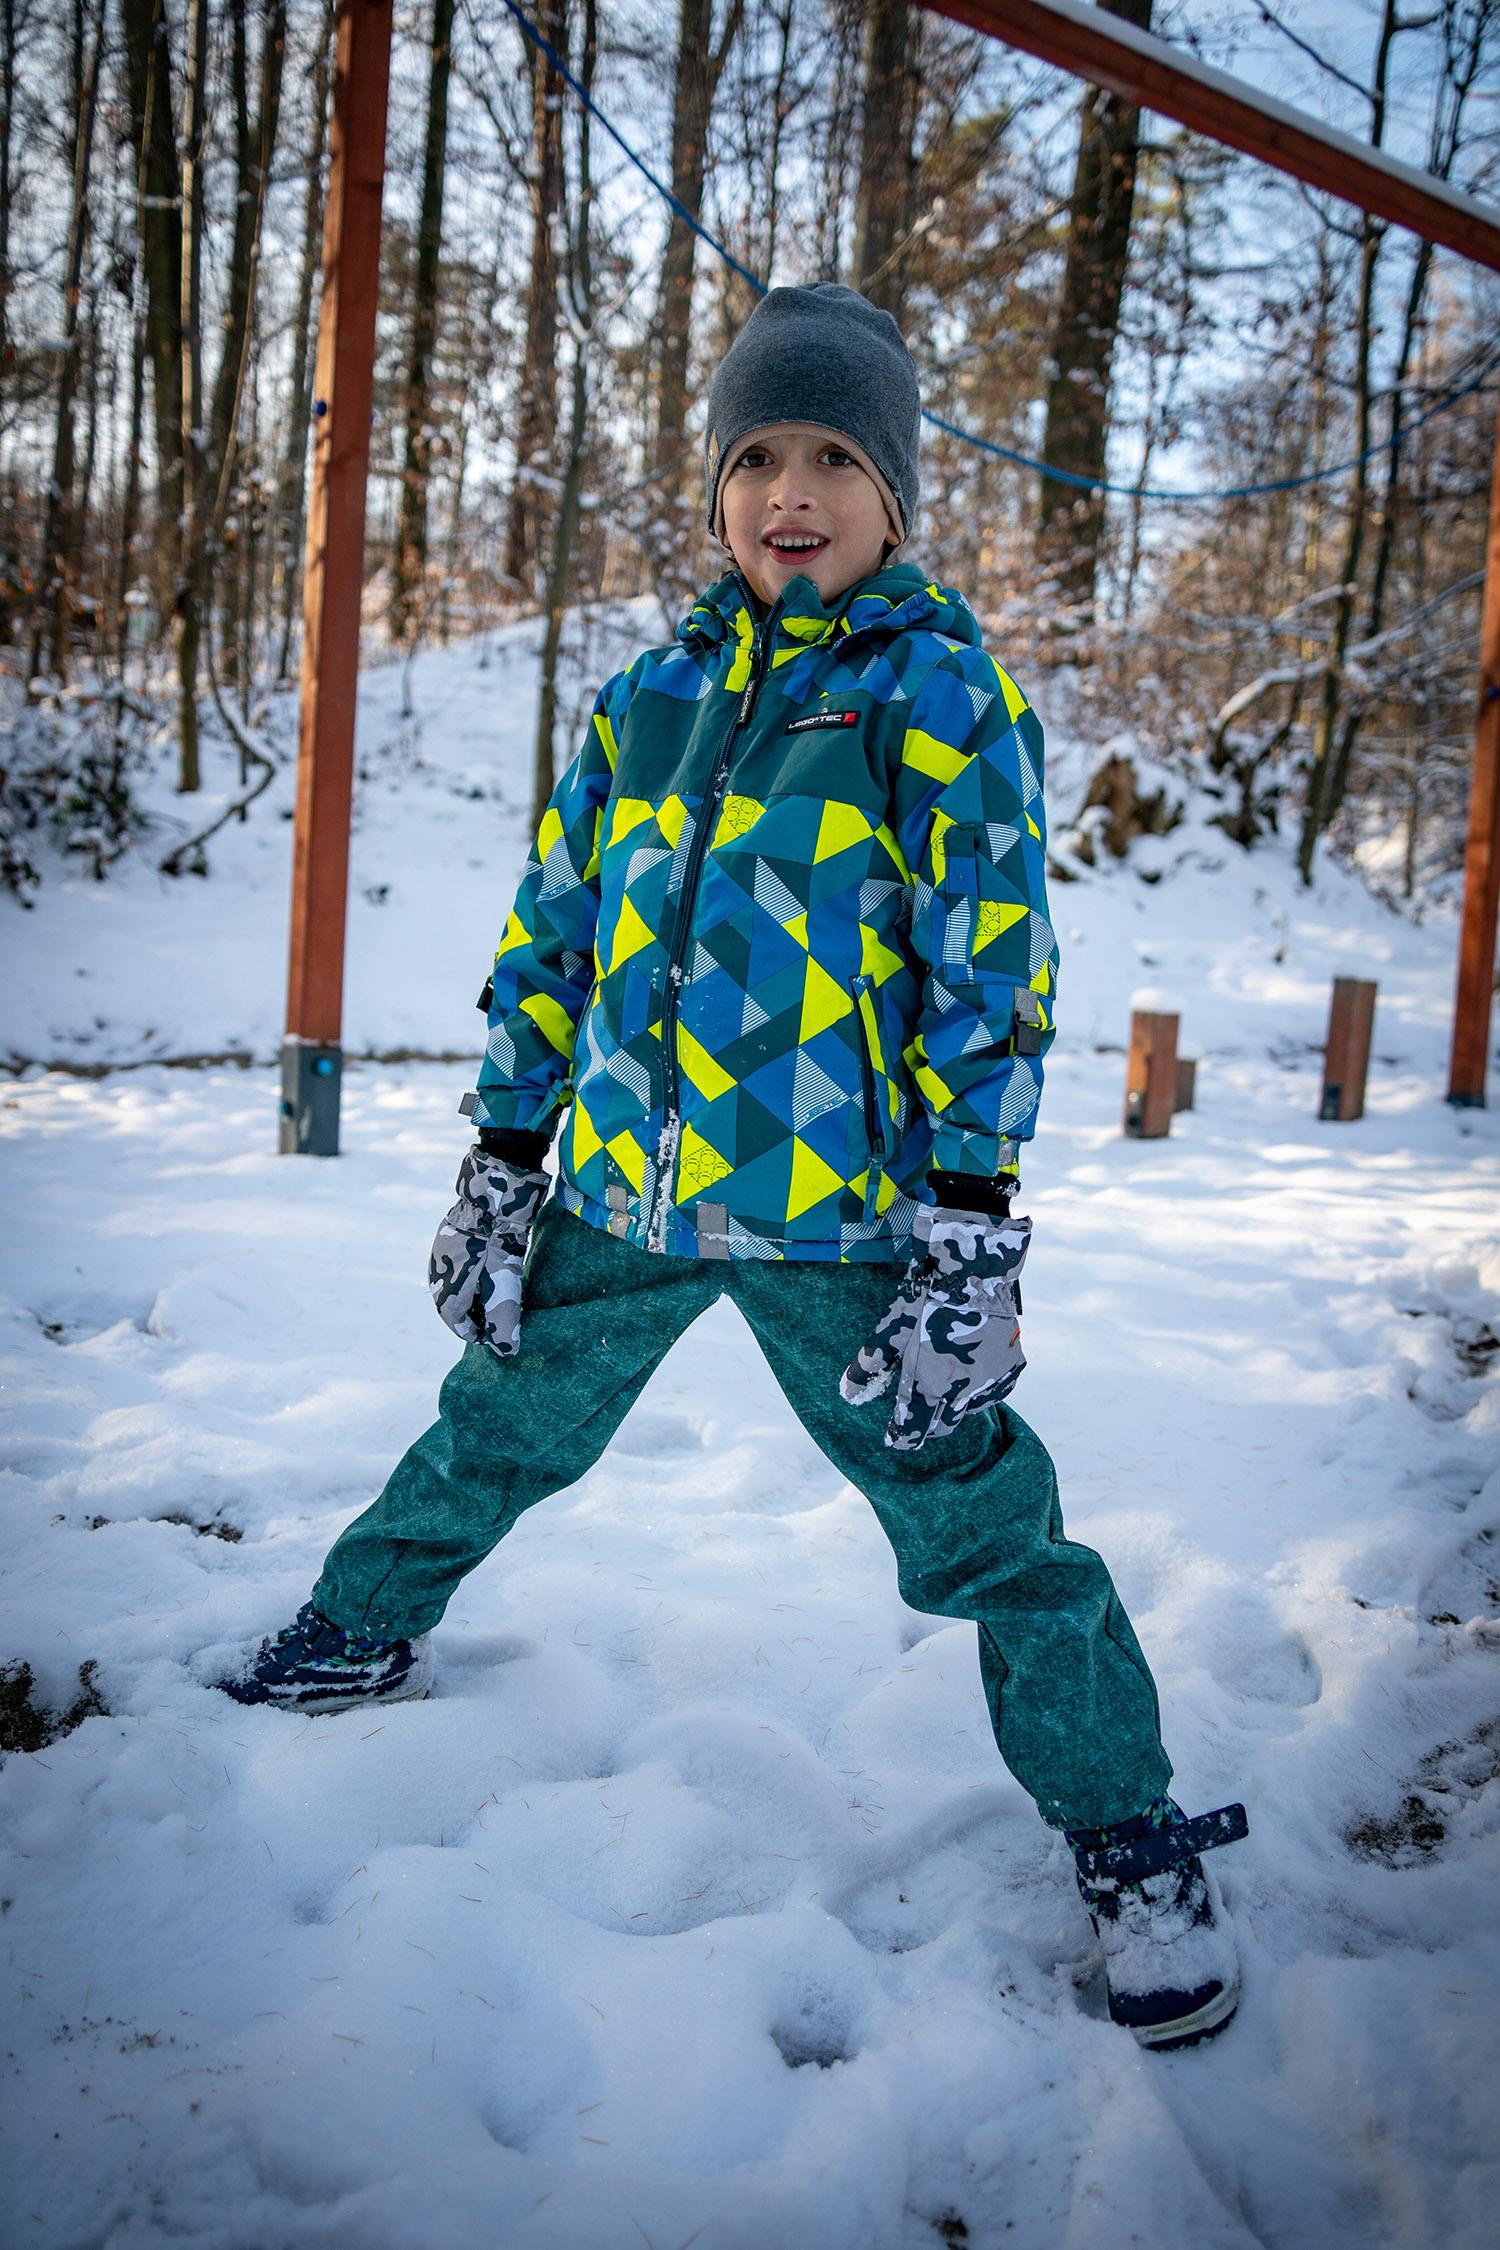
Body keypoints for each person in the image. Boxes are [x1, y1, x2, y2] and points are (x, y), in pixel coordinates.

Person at [218, 284, 1246, 2050]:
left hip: (843, 1218)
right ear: (715, 486)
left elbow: (994, 973)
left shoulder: (940, 694)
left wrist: (971, 1229)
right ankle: (361, 1621)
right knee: (500, 1413)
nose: (793, 487)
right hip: (620, 1185)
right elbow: (554, 929)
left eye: (835, 454)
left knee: (986, 1525)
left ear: (896, 491)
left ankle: (1131, 1834)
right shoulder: (653, 694)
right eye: (759, 452)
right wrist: (500, 1150)